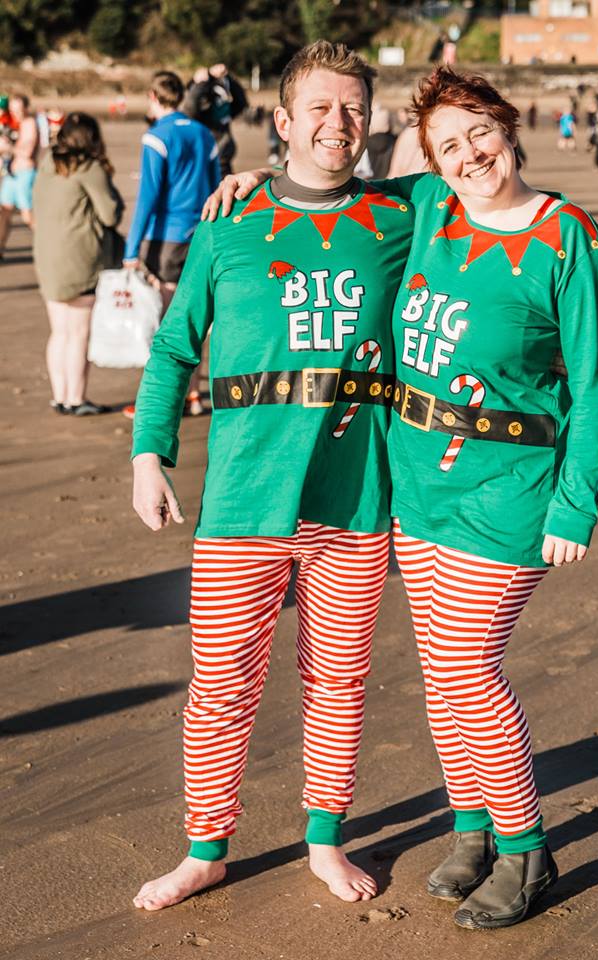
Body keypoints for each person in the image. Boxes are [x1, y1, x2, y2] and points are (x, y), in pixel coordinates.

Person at [208, 64, 598, 933]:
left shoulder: (567, 238)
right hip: (413, 485)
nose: (469, 154)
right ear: (429, 160)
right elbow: (325, 185)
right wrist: (254, 177)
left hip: (507, 490)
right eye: (448, 144)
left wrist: (573, 504)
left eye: (479, 131)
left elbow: (594, 386)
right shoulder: (425, 207)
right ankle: (471, 831)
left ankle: (525, 848)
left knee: (470, 671)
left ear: (509, 127)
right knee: (438, 678)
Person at [130, 41, 415, 913]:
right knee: (219, 682)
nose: (340, 124)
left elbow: (480, 178)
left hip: (356, 501)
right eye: (320, 109)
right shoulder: (228, 225)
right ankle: (206, 849)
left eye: (355, 108)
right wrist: (149, 452)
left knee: (338, 680)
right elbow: (176, 347)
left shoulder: (409, 215)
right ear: (282, 123)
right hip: (243, 501)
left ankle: (324, 839)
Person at [122, 70, 221, 419]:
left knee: (166, 323)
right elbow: (216, 187)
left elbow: (147, 198)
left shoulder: (156, 137)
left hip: (166, 239)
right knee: (195, 317)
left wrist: (131, 250)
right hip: (200, 234)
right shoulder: (203, 133)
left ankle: (167, 400)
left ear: (153, 96)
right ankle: (194, 394)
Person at [32, 112, 124, 415]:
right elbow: (111, 214)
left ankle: (60, 396)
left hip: (47, 257)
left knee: (59, 331)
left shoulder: (48, 164)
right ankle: (75, 398)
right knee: (79, 332)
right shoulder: (89, 168)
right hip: (80, 259)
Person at [183, 63, 248, 177]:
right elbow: (190, 107)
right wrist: (203, 81)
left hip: (222, 160)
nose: (221, 102)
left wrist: (228, 78)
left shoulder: (225, 111)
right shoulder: (199, 114)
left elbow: (241, 103)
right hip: (205, 161)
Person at [0, 92, 39, 260]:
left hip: (25, 173)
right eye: (13, 110)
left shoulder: (30, 123)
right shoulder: (11, 124)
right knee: (4, 212)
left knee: (27, 216)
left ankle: (46, 245)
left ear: (26, 108)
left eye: (19, 109)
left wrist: (9, 147)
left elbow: (27, 152)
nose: (16, 113)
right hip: (11, 175)